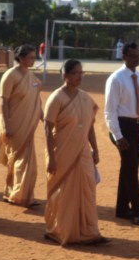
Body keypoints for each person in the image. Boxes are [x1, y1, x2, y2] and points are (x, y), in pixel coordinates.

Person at [43, 59, 109, 246]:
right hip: (62, 153)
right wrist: (51, 158)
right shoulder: (56, 98)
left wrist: (95, 149)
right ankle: (59, 230)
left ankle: (89, 231)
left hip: (83, 153)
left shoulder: (85, 98)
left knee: (87, 191)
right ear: (65, 75)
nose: (80, 76)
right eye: (75, 73)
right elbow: (47, 129)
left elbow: (90, 126)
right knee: (63, 193)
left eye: (81, 73)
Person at [104, 42, 139, 225]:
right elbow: (109, 111)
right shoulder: (116, 79)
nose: (136, 59)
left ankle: (122, 208)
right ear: (123, 57)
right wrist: (117, 136)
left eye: (138, 56)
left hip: (137, 127)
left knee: (129, 168)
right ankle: (137, 211)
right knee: (131, 169)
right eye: (132, 56)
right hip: (123, 127)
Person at [0, 45, 42, 207]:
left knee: (27, 164)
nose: (33, 60)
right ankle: (17, 194)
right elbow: (3, 101)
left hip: (27, 126)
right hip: (14, 124)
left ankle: (18, 194)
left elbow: (36, 102)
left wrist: (46, 119)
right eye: (30, 57)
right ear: (21, 58)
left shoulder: (32, 77)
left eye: (34, 57)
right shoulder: (10, 75)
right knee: (17, 161)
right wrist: (7, 126)